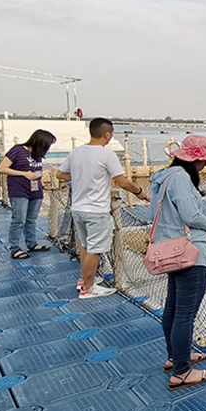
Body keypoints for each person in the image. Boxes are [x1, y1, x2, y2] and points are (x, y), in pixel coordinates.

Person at [148, 136, 206, 391]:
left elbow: (155, 213)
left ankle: (175, 356)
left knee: (172, 309)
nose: (205, 166)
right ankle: (181, 372)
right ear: (196, 158)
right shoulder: (181, 178)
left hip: (169, 250)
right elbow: (190, 215)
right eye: (204, 161)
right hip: (190, 251)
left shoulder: (162, 177)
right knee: (185, 314)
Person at [56, 118, 150, 298]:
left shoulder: (76, 152)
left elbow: (60, 174)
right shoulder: (107, 155)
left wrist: (79, 176)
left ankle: (85, 280)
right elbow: (123, 182)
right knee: (95, 249)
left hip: (78, 208)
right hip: (96, 210)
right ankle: (88, 288)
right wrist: (139, 192)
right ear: (107, 134)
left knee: (85, 246)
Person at [0, 129, 57, 259]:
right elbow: (2, 168)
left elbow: (36, 169)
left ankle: (31, 243)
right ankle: (15, 248)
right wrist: (24, 174)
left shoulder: (37, 154)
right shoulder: (18, 150)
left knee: (31, 219)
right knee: (19, 220)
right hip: (19, 190)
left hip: (35, 190)